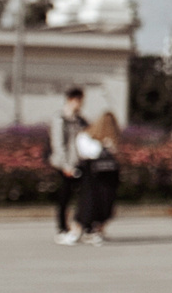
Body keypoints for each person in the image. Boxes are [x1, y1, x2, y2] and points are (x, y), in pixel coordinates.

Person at [74, 112, 123, 243]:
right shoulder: (90, 138)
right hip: (96, 175)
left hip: (99, 175)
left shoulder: (86, 136)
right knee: (94, 202)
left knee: (96, 202)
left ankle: (93, 229)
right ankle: (88, 230)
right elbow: (90, 153)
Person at [50, 86, 89, 244]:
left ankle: (78, 226)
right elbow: (58, 144)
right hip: (64, 164)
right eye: (77, 100)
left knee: (82, 197)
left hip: (79, 163)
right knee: (64, 198)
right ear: (70, 100)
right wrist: (66, 166)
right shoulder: (61, 119)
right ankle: (62, 228)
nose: (79, 104)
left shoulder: (81, 120)